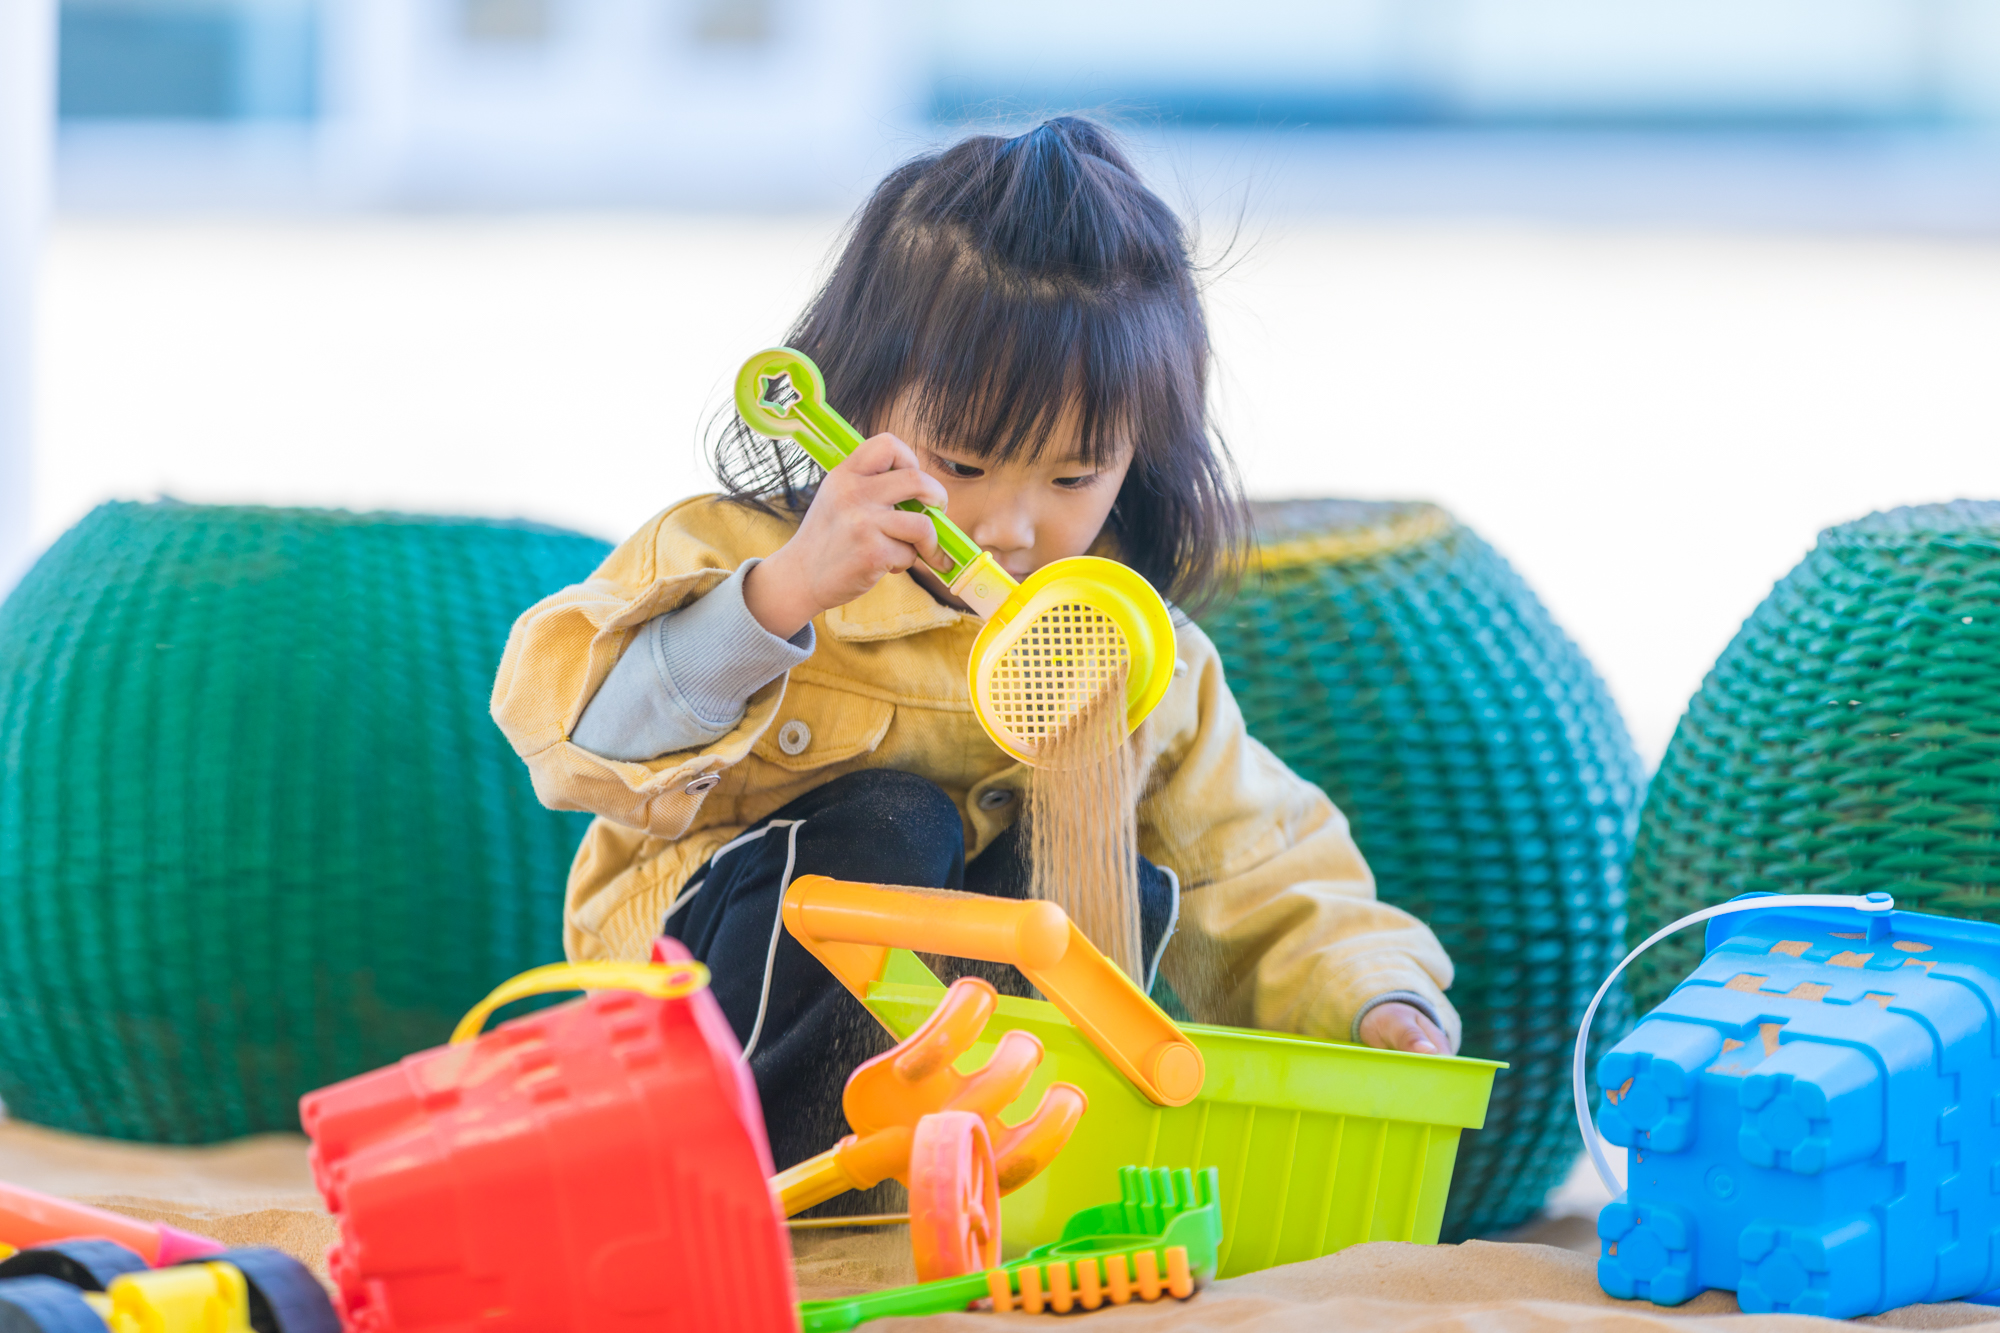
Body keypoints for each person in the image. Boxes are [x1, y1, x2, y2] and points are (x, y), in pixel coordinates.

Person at [492, 116, 1460, 1193]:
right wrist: (782, 596)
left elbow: (1256, 861)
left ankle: (984, 1176)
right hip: (698, 1057)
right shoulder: (740, 557)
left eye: (1071, 477)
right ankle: (779, 1186)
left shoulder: (1123, 659)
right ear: (850, 405)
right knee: (895, 819)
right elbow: (573, 747)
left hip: (938, 1095)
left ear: (1135, 464)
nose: (1008, 524)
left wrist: (1378, 996)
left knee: (1097, 883)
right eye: (961, 462)